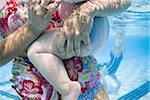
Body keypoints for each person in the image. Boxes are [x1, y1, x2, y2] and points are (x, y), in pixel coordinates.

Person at [0, 0, 131, 99]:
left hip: (91, 91)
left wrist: (89, 8)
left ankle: (68, 88)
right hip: (33, 94)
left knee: (36, 50)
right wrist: (31, 29)